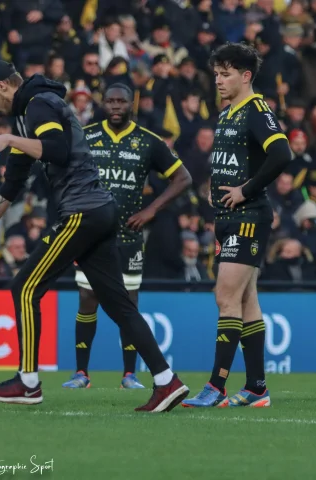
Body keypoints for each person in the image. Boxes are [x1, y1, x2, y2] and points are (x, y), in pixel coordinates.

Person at [0, 60, 190, 412]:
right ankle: (167, 381)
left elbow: (58, 150)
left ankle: (27, 383)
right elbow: (14, 181)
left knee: (24, 288)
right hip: (98, 212)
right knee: (119, 304)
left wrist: (9, 138)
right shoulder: (27, 113)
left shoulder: (38, 104)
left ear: (3, 87)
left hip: (82, 212)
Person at [182, 43, 292, 408]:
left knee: (224, 297)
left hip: (248, 218)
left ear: (246, 76)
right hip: (227, 220)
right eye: (216, 74)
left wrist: (245, 189)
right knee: (246, 301)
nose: (219, 81)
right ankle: (257, 388)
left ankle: (216, 387)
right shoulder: (228, 113)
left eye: (226, 74)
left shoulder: (257, 110)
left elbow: (282, 153)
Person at [63, 84, 192, 390]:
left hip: (129, 236)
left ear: (131, 104)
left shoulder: (148, 141)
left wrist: (151, 211)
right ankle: (81, 373)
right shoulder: (86, 135)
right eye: (111, 101)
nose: (116, 106)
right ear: (102, 103)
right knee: (87, 297)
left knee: (129, 303)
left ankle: (129, 374)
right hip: (91, 234)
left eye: (122, 101)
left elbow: (183, 178)